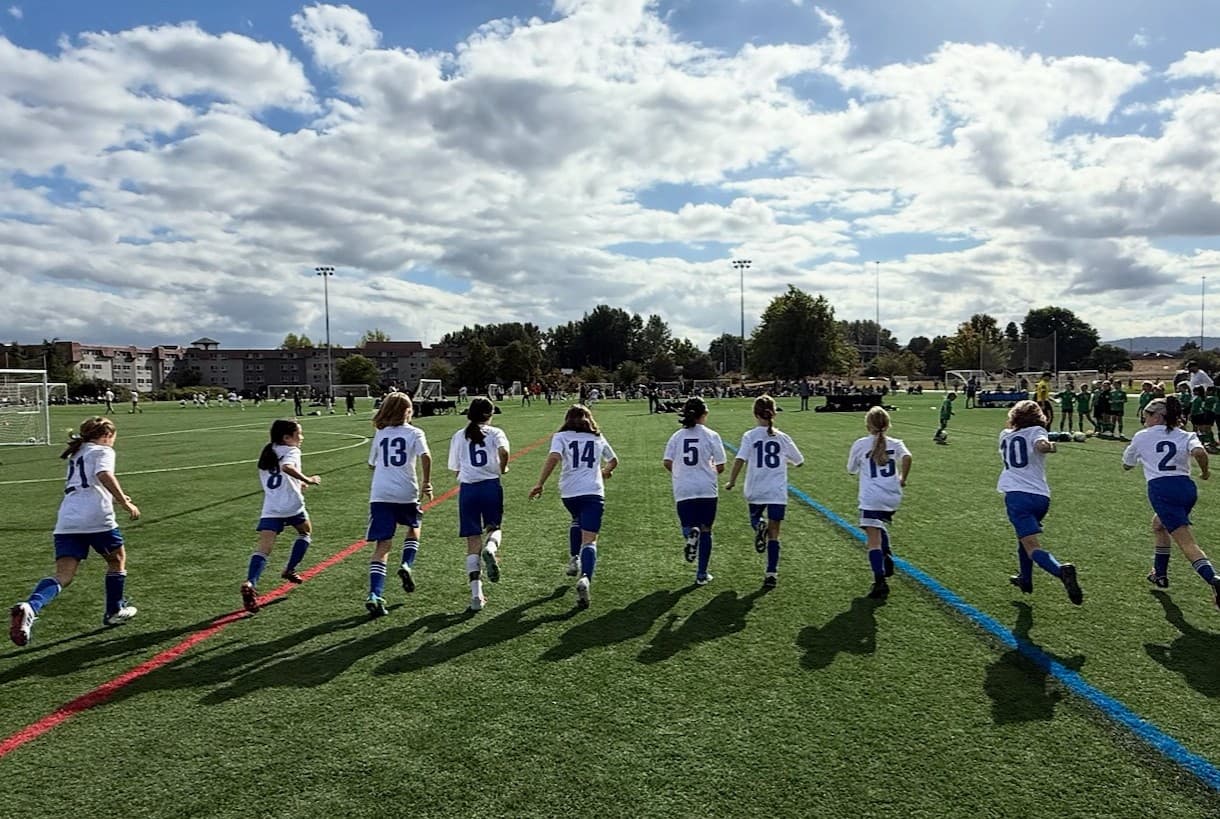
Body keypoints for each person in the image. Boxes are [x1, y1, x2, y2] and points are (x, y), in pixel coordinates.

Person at [10, 417, 140, 646]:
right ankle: (114, 611)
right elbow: (103, 475)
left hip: (68, 519)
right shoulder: (102, 450)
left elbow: (87, 484)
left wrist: (114, 496)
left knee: (63, 575)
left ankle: (31, 606)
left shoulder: (78, 452)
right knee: (116, 560)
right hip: (96, 518)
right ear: (106, 436)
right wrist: (123, 502)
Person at [1122, 396, 1220, 610]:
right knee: (1158, 525)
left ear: (1158, 416)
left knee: (1187, 543)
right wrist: (1205, 471)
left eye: (1147, 414)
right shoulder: (1186, 434)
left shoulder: (1142, 436)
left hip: (1162, 490)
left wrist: (1133, 461)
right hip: (1187, 488)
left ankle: (1214, 580)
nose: (1144, 418)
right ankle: (1160, 574)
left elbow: (1127, 464)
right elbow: (1199, 452)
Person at [529, 404, 618, 610]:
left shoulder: (561, 437)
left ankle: (573, 558)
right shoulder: (597, 437)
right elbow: (613, 460)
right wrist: (604, 472)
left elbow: (553, 458)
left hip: (569, 492)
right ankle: (585, 577)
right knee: (590, 539)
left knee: (576, 519)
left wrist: (540, 483)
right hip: (593, 491)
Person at [997, 400, 1083, 604]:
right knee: (1024, 540)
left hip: (1018, 496)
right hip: (1041, 497)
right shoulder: (1037, 430)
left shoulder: (1004, 435)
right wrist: (1051, 446)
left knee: (1031, 545)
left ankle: (1060, 571)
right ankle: (1025, 579)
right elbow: (1040, 445)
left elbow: (1035, 443)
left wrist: (1046, 444)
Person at [240, 419, 321, 614]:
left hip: (271, 507)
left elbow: (276, 476)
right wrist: (307, 479)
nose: (302, 437)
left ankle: (251, 582)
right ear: (286, 437)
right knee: (305, 533)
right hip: (292, 506)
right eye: (298, 434)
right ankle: (290, 569)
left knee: (264, 548)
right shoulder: (291, 451)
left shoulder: (268, 451)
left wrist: (297, 483)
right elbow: (286, 468)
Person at [725, 395, 804, 589]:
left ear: (755, 414)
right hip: (776, 490)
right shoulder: (783, 437)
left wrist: (731, 481)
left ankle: (759, 525)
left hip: (756, 487)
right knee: (775, 533)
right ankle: (771, 573)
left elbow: (740, 460)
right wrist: (783, 460)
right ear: (774, 413)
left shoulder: (750, 436)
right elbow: (800, 461)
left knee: (756, 519)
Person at [364, 393, 432, 616]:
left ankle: (375, 594)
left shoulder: (381, 433)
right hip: (405, 491)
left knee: (382, 546)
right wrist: (427, 482)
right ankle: (406, 564)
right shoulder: (415, 432)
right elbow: (426, 456)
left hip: (381, 493)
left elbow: (372, 463)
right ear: (407, 411)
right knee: (414, 527)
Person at [448, 397, 508, 611]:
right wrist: (503, 467)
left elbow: (454, 468)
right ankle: (491, 548)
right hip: (490, 485)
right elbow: (504, 452)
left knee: (472, 541)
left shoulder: (459, 435)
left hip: (468, 489)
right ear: (489, 415)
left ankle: (476, 595)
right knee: (495, 528)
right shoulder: (495, 433)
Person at [846, 407, 912, 599]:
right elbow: (907, 457)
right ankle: (886, 553)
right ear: (888, 424)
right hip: (892, 496)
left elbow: (851, 469)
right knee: (874, 525)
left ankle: (880, 579)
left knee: (872, 537)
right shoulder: (896, 443)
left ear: (868, 425)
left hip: (872, 497)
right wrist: (902, 478)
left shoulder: (861, 444)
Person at [663, 397, 727, 586]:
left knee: (688, 527)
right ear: (704, 414)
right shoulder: (711, 435)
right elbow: (721, 465)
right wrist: (709, 472)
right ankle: (701, 574)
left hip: (684, 488)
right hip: (707, 488)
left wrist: (680, 474)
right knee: (707, 530)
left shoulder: (677, 436)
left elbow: (667, 462)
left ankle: (690, 534)